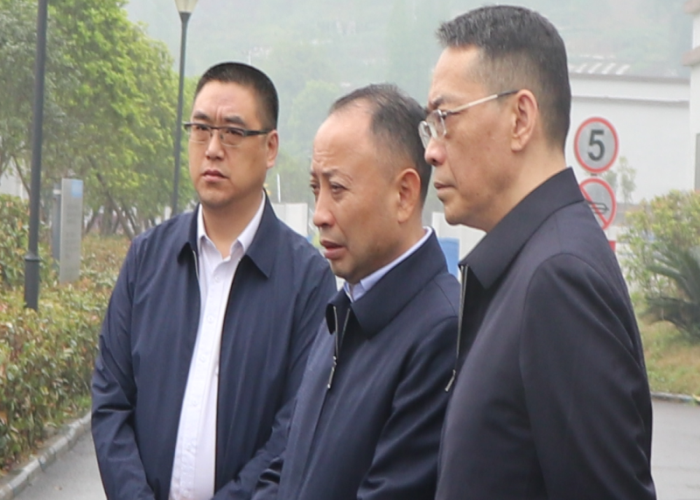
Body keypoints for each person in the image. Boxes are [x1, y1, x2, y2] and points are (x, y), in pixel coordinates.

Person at [420, 6, 656, 500]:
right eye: (430, 126)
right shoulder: (521, 266)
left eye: (445, 118)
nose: (432, 150)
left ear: (520, 118)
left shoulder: (559, 278)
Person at [91, 62, 337, 500]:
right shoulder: (147, 258)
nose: (213, 149)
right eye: (201, 129)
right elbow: (111, 401)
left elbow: (294, 428)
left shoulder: (307, 280)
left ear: (270, 147)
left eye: (233, 132)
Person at [252, 84, 460, 500]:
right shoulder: (342, 311)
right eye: (316, 189)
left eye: (338, 189)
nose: (320, 215)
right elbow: (286, 466)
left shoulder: (442, 332)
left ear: (404, 194)